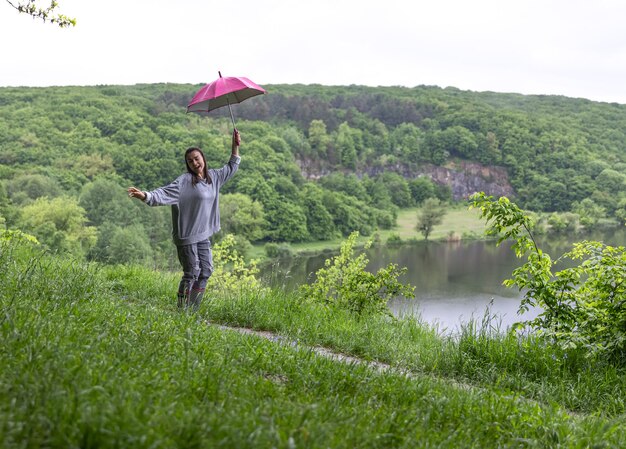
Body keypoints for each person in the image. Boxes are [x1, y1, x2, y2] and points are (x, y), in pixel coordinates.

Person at [127, 129, 241, 311]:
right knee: (192, 273)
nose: (195, 163)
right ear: (187, 164)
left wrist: (235, 144)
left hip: (203, 234)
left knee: (206, 271)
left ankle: (192, 311)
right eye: (190, 161)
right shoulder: (184, 182)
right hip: (187, 235)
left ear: (203, 158)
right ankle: (181, 311)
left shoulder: (214, 177)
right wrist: (144, 195)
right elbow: (162, 193)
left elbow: (232, 166)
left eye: (197, 158)